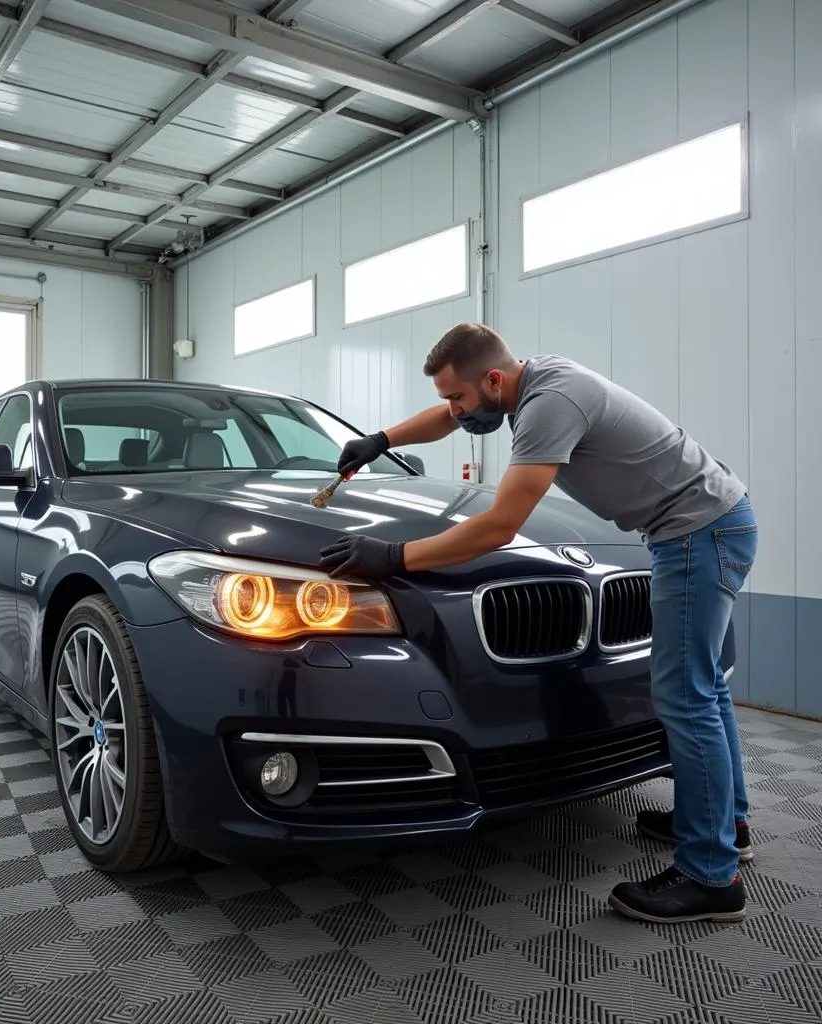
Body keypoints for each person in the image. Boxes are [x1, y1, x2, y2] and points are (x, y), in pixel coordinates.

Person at [319, 322, 757, 925]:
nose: (453, 411)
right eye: (448, 398)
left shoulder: (548, 405)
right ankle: (724, 824)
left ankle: (710, 877)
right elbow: (451, 416)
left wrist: (393, 557)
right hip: (706, 525)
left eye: (459, 397)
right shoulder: (532, 378)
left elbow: (499, 527)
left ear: (494, 380)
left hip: (695, 535)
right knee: (705, 687)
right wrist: (380, 438)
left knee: (685, 695)